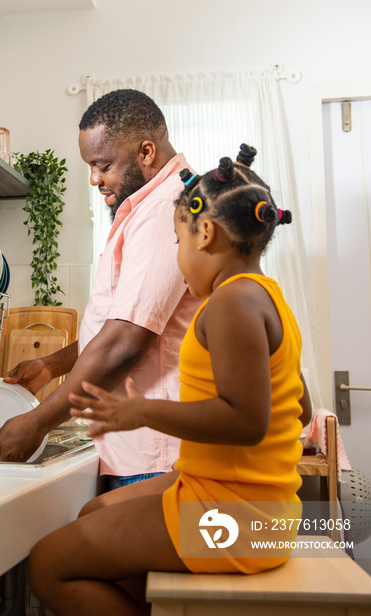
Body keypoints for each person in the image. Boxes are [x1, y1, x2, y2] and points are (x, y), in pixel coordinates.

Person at [26, 147, 312, 616]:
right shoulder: (267, 298)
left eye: (178, 243)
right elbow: (297, 408)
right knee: (93, 513)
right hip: (241, 499)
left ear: (205, 233)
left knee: (48, 564)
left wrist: (143, 412)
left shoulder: (230, 305)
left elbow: (246, 422)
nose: (178, 260)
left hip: (236, 515)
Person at [0, 89, 202, 490]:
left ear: (146, 152)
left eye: (102, 165)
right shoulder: (144, 206)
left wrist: (37, 422)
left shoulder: (165, 209)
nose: (93, 178)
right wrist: (51, 366)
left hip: (153, 452)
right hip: (132, 446)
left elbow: (125, 342)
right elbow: (117, 323)